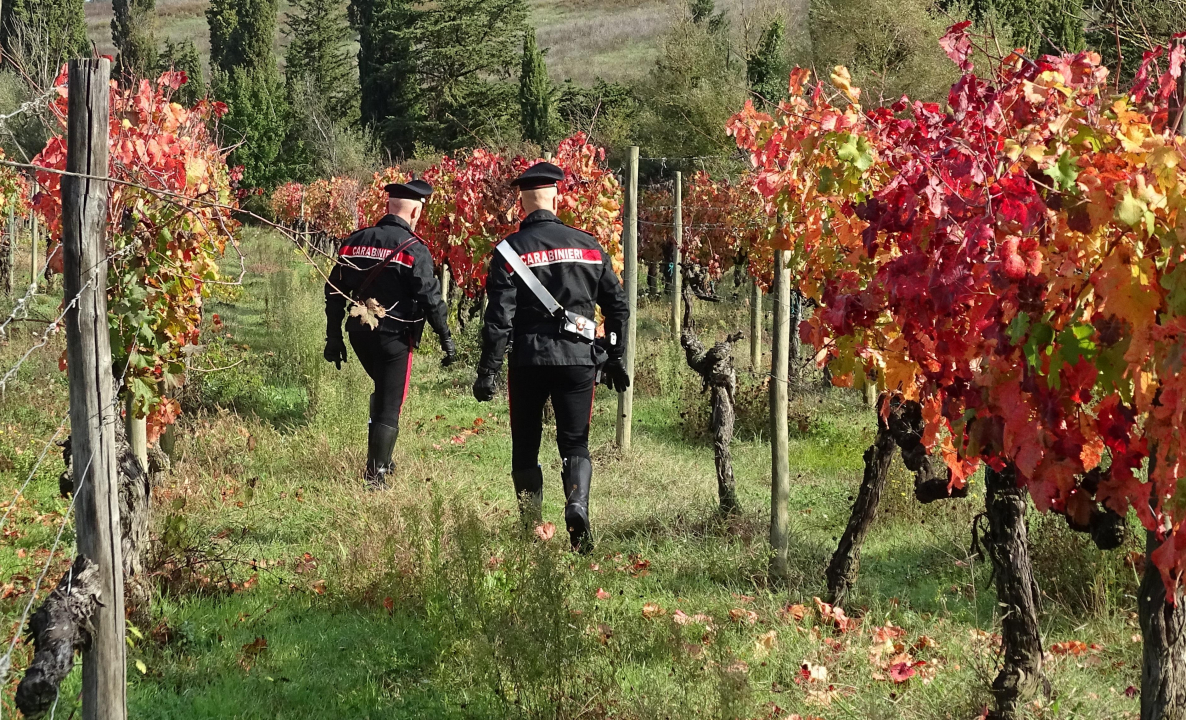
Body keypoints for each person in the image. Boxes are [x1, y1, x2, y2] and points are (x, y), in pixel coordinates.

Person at [473, 162, 631, 552]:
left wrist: (488, 371)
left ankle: (530, 527)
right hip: (578, 361)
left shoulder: (509, 251)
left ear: (521, 202)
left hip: (528, 362)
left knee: (525, 444)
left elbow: (499, 318)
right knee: (575, 443)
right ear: (557, 197)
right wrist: (614, 354)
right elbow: (618, 306)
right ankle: (577, 505)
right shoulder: (591, 247)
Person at [324, 180, 458, 489]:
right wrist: (446, 338)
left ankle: (382, 458)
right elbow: (430, 299)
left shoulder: (353, 242)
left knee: (384, 392)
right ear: (414, 213)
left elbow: (333, 291)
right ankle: (376, 476)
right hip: (395, 336)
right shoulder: (414, 249)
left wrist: (333, 337)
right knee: (390, 403)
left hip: (359, 334)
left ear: (388, 207)